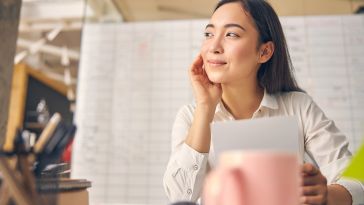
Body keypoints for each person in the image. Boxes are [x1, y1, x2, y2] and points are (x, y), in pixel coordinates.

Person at [163, 0, 364, 205]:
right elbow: (179, 197)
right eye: (209, 34)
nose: (213, 47)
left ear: (264, 52)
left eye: (231, 34)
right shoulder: (190, 116)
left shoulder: (299, 106)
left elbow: (357, 176)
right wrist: (205, 107)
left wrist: (327, 195)